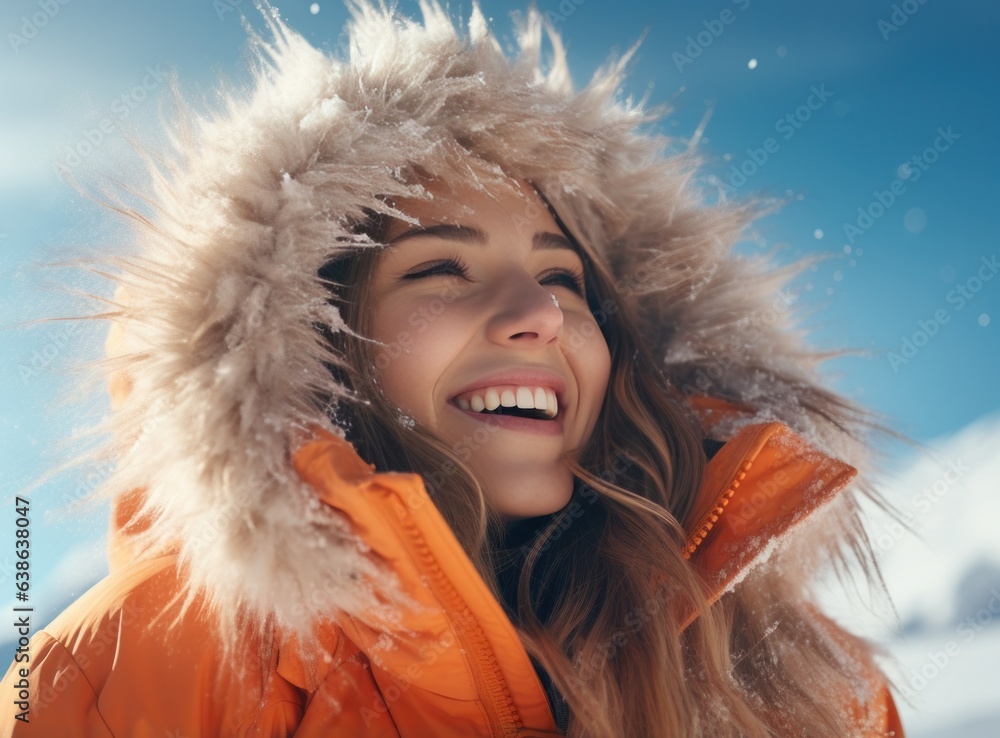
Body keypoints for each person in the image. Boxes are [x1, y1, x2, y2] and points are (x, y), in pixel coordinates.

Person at [1, 2, 907, 735]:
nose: (540, 314)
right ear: (320, 343)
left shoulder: (804, 685)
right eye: (441, 266)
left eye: (563, 277)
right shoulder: (129, 676)